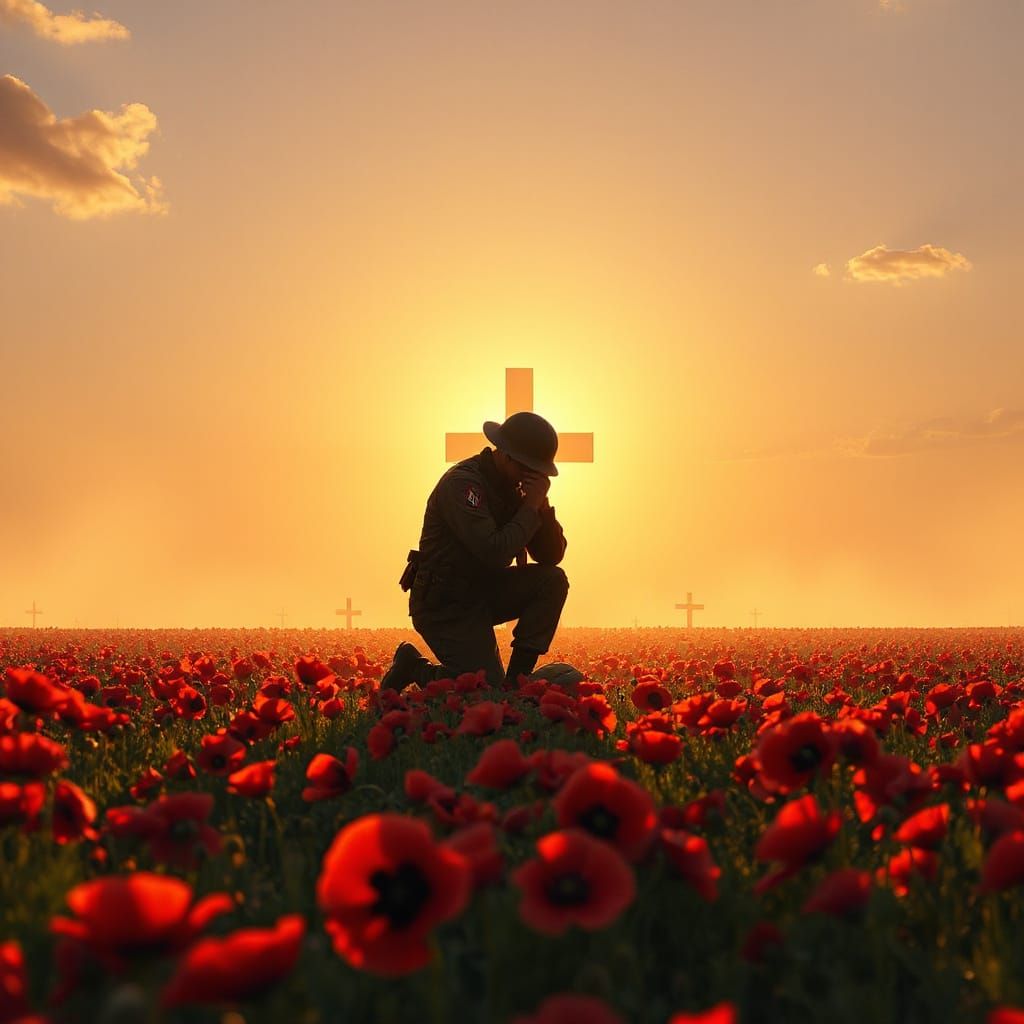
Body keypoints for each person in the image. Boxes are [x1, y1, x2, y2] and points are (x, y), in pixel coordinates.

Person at [382, 410, 569, 691]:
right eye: (526, 469)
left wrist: (540, 506)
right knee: (481, 689)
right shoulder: (462, 485)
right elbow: (495, 552)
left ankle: (515, 685)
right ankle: (414, 667)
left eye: (537, 472)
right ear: (505, 454)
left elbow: (550, 556)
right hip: (445, 603)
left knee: (553, 580)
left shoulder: (517, 488)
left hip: (482, 592)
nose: (529, 477)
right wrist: (529, 509)